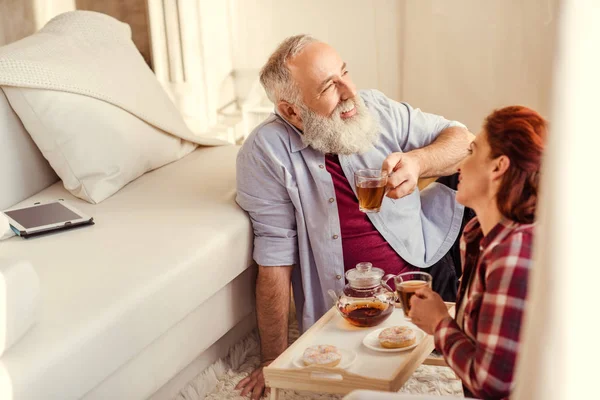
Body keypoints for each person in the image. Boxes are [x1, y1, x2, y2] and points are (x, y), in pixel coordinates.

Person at [235, 34, 474, 399]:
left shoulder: (374, 107)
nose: (350, 91)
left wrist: (418, 161)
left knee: (488, 174)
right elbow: (274, 262)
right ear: (291, 111)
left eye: (345, 73)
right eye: (331, 86)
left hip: (428, 262)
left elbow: (463, 139)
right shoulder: (265, 152)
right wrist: (273, 361)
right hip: (359, 305)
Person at [409, 106, 546, 400]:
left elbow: (492, 383)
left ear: (498, 167)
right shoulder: (477, 234)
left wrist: (438, 323)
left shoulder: (514, 253)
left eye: (471, 152)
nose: (460, 166)